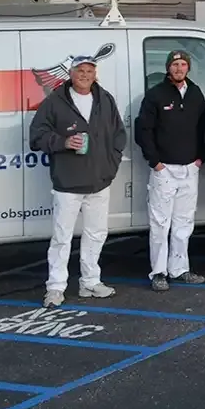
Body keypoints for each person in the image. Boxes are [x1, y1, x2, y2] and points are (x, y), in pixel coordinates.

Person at [29, 56, 126, 307]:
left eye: (89, 70)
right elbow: (36, 136)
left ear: (95, 74)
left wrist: (110, 166)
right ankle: (56, 287)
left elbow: (119, 135)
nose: (85, 75)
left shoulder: (105, 100)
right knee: (62, 237)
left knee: (96, 234)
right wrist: (62, 142)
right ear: (70, 74)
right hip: (67, 182)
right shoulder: (54, 102)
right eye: (80, 70)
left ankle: (90, 282)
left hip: (99, 181)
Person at [135, 50, 205, 292]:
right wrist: (155, 162)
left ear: (188, 68)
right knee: (160, 223)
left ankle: (180, 268)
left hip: (190, 168)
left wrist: (200, 157)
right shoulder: (156, 95)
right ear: (168, 68)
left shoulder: (195, 93)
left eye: (183, 64)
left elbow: (202, 127)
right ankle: (158, 272)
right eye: (175, 64)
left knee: (184, 222)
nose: (179, 68)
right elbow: (143, 131)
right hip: (164, 169)